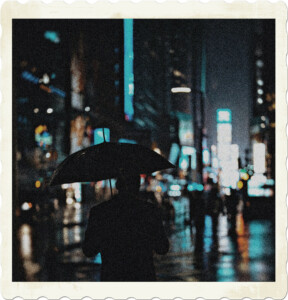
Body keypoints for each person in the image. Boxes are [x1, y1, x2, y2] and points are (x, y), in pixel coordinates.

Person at [82, 173, 170, 281]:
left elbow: (89, 250)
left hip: (112, 279)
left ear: (117, 185)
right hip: (143, 278)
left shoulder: (100, 212)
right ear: (137, 185)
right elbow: (162, 248)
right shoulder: (150, 211)